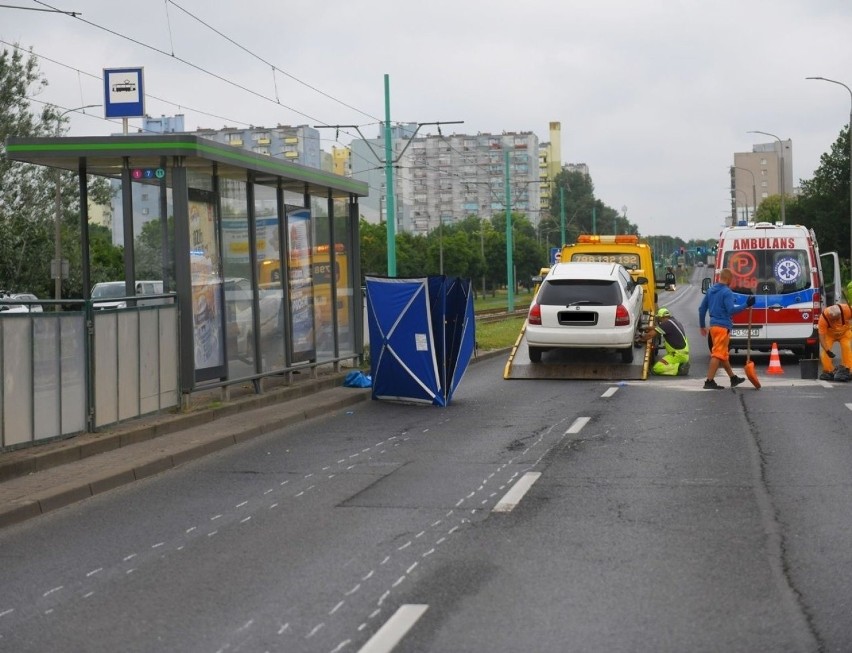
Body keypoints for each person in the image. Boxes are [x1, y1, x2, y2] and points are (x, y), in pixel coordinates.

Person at [698, 268, 755, 389]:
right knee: (717, 354)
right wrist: (747, 304)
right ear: (729, 279)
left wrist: (702, 325)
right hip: (723, 327)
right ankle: (709, 381)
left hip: (713, 326)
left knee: (723, 354)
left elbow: (702, 309)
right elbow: (731, 310)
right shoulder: (727, 292)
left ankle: (733, 378)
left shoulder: (710, 291)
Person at [637, 307, 690, 375]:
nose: (659, 321)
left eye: (659, 318)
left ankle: (679, 368)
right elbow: (659, 328)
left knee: (657, 368)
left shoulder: (666, 324)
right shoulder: (674, 321)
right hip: (683, 354)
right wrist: (647, 328)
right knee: (659, 366)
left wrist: (640, 339)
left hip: (677, 355)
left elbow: (650, 335)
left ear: (662, 317)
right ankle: (680, 364)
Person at [817, 303, 852, 381]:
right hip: (830, 335)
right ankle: (828, 371)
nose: (836, 321)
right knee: (825, 354)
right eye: (834, 320)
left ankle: (847, 369)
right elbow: (821, 337)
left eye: (837, 319)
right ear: (829, 317)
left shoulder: (847, 309)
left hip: (844, 333)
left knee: (847, 348)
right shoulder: (823, 319)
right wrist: (827, 350)